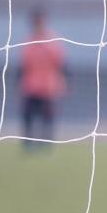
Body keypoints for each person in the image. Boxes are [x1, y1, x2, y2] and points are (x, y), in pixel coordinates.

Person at [19, 8, 66, 150]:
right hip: (31, 87)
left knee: (47, 118)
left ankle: (46, 144)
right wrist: (19, 85)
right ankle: (28, 144)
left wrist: (64, 82)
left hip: (48, 87)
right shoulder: (28, 41)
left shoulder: (53, 41)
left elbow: (61, 64)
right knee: (28, 116)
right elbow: (23, 66)